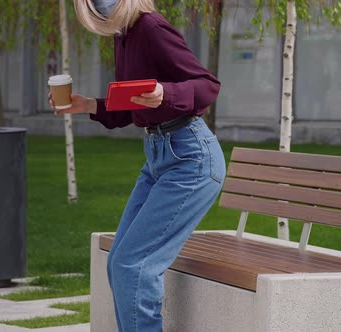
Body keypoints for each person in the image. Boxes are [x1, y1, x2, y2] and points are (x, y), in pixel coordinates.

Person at [49, 1, 225, 331]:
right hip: (160, 157)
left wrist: (166, 92)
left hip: (191, 159)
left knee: (135, 265)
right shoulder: (124, 34)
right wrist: (87, 105)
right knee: (120, 262)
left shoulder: (150, 27)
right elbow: (133, 106)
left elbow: (207, 85)